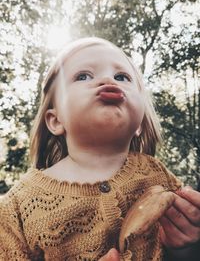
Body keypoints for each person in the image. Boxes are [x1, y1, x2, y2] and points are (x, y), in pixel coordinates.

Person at [0, 37, 199, 261]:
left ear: (140, 123)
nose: (107, 79)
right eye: (83, 76)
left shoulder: (159, 176)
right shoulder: (16, 208)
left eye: (121, 77)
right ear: (55, 121)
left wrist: (186, 248)